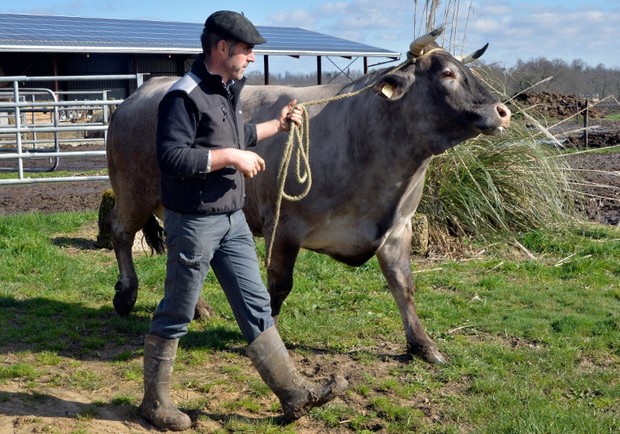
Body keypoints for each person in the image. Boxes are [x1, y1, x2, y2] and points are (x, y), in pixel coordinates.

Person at [139, 10, 348, 431]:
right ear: (222, 48)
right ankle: (154, 402)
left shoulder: (225, 90)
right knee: (178, 310)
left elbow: (238, 134)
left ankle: (294, 395)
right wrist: (230, 158)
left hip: (232, 221)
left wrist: (279, 124)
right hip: (194, 223)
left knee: (256, 307)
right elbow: (172, 157)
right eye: (247, 51)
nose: (251, 58)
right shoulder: (184, 96)